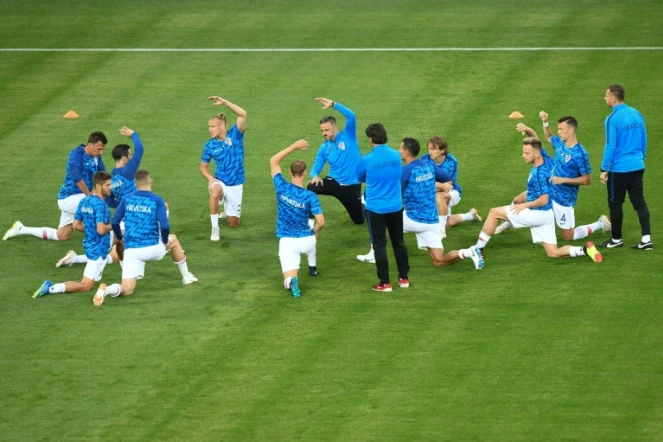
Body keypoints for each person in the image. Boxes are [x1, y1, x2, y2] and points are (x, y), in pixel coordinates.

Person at [466, 137, 603, 264]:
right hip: (547, 215)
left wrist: (524, 205)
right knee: (553, 252)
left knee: (494, 212)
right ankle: (584, 250)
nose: (523, 156)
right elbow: (538, 143)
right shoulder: (548, 162)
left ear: (536, 154)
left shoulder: (539, 174)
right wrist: (530, 131)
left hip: (536, 213)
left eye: (526, 153)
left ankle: (478, 249)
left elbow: (544, 199)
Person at [497, 114, 611, 240]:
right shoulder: (560, 143)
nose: (558, 132)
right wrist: (545, 122)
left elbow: (587, 179)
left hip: (564, 198)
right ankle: (509, 223)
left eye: (561, 129)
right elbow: (548, 136)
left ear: (571, 130)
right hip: (549, 189)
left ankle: (601, 223)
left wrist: (564, 180)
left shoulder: (580, 154)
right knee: (519, 199)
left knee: (568, 236)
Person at [92, 170, 197, 306]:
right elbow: (164, 226)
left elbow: (116, 222)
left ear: (135, 184)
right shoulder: (157, 200)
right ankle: (186, 277)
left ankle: (107, 290)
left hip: (131, 250)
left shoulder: (126, 199)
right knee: (174, 239)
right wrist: (165, 241)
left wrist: (120, 237)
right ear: (151, 182)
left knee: (127, 289)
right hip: (153, 249)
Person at [55, 126, 146, 267]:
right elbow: (140, 150)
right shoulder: (127, 172)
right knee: (116, 245)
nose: (132, 156)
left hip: (123, 214)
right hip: (128, 216)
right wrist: (133, 134)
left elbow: (109, 199)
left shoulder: (112, 180)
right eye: (130, 155)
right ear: (124, 158)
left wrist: (121, 204)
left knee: (63, 234)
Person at [4, 131, 107, 242]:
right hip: (69, 198)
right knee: (97, 206)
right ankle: (108, 233)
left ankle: (21, 229)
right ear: (90, 145)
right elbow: (77, 178)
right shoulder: (76, 154)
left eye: (102, 149)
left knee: (61, 236)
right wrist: (89, 196)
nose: (101, 152)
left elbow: (103, 175)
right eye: (99, 149)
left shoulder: (96, 157)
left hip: (79, 198)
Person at [399, 137, 484, 269]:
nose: (398, 151)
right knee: (439, 260)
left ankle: (375, 254)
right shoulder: (428, 165)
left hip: (414, 218)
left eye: (400, 148)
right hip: (432, 220)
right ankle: (469, 252)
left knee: (381, 220)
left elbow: (396, 191)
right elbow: (447, 178)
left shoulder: (405, 171)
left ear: (406, 153)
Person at [32, 172, 120, 298]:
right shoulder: (101, 205)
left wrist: (91, 229)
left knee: (123, 236)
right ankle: (51, 288)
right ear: (98, 186)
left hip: (90, 242)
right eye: (107, 185)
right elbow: (101, 230)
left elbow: (75, 225)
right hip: (99, 247)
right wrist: (113, 225)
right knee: (86, 286)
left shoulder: (84, 200)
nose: (110, 187)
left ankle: (122, 262)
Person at [598, 84, 651, 250]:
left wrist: (604, 168)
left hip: (619, 169)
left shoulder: (612, 119)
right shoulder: (636, 113)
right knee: (639, 202)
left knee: (615, 203)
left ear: (613, 98)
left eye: (606, 96)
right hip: (637, 165)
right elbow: (644, 137)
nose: (605, 98)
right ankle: (646, 240)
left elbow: (610, 145)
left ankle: (616, 239)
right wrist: (641, 156)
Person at [357, 123, 410, 292]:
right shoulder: (396, 155)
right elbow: (399, 174)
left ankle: (385, 282)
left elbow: (359, 177)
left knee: (379, 245)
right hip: (395, 206)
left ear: (371, 139)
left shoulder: (367, 159)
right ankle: (403, 278)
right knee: (398, 242)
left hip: (375, 208)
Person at [270, 140, 325, 298]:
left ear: (289, 172)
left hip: (288, 241)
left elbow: (273, 160)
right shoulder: (310, 196)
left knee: (289, 275)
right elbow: (321, 222)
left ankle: (291, 282)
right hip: (308, 240)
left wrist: (294, 147)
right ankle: (312, 265)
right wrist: (314, 232)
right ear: (305, 173)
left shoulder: (281, 187)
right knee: (310, 237)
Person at [307, 98, 363, 224]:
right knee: (311, 186)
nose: (323, 133)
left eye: (326, 130)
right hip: (333, 183)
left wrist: (333, 104)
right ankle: (309, 222)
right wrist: (314, 176)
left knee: (358, 220)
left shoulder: (348, 135)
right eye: (322, 130)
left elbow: (351, 116)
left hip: (351, 186)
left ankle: (363, 202)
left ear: (334, 128)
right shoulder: (324, 147)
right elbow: (315, 168)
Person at [200, 96, 247, 241]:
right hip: (219, 180)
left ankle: (227, 212)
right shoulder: (209, 145)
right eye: (209, 126)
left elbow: (243, 114)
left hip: (236, 183)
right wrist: (211, 179)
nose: (210, 129)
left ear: (222, 126)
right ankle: (215, 228)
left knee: (233, 224)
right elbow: (203, 167)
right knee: (215, 192)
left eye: (212, 126)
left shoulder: (235, 134)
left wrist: (225, 102)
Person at [420, 136, 481, 237]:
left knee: (439, 197)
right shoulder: (424, 159)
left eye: (433, 149)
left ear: (442, 150)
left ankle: (440, 232)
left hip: (451, 192)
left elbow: (448, 185)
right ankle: (470, 215)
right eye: (429, 148)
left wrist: (432, 187)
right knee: (447, 223)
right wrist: (437, 187)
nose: (430, 151)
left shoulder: (451, 161)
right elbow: (423, 182)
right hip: (433, 192)